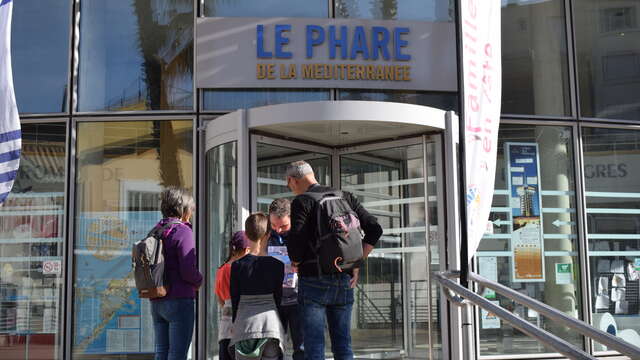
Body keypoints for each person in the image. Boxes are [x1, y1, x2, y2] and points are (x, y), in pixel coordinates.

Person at [285, 161, 382, 360]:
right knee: (343, 345)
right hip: (344, 279)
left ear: (292, 181)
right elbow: (375, 229)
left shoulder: (302, 202)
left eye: (289, 184)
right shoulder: (346, 197)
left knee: (314, 346)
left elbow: (296, 248)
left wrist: (295, 261)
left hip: (313, 281)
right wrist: (356, 262)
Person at [151, 187, 203, 360]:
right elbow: (188, 270)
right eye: (192, 209)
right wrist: (200, 280)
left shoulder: (156, 229)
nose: (192, 212)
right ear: (184, 209)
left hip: (157, 299)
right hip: (179, 300)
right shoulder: (183, 231)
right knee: (177, 355)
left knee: (161, 353)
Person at [230, 213, 286, 360]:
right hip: (270, 326)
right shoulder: (277, 266)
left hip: (244, 325)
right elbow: (278, 299)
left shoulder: (236, 266)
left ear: (246, 234)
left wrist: (234, 323)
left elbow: (235, 299)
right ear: (268, 235)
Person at [267, 198, 304, 360]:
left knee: (301, 348)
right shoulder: (266, 235)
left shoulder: (302, 234)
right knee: (274, 348)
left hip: (299, 298)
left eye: (283, 226)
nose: (278, 230)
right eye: (274, 225)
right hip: (274, 299)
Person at [215, 231, 251, 360]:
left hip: (225, 322)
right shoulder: (239, 269)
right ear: (247, 249)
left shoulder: (222, 269)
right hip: (240, 322)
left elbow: (219, 298)